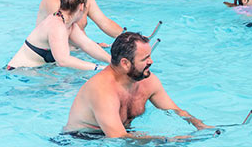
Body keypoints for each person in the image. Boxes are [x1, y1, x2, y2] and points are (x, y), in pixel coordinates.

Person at [63, 32, 213, 139]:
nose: (151, 62)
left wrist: (198, 124)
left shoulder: (147, 80)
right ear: (125, 63)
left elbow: (175, 110)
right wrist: (165, 141)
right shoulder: (102, 90)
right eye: (145, 58)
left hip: (120, 136)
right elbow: (118, 137)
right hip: (81, 142)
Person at [7, 0, 111, 71]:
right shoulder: (57, 25)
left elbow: (88, 45)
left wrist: (112, 62)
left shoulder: (69, 24)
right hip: (17, 74)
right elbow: (63, 60)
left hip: (31, 73)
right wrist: (99, 68)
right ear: (81, 7)